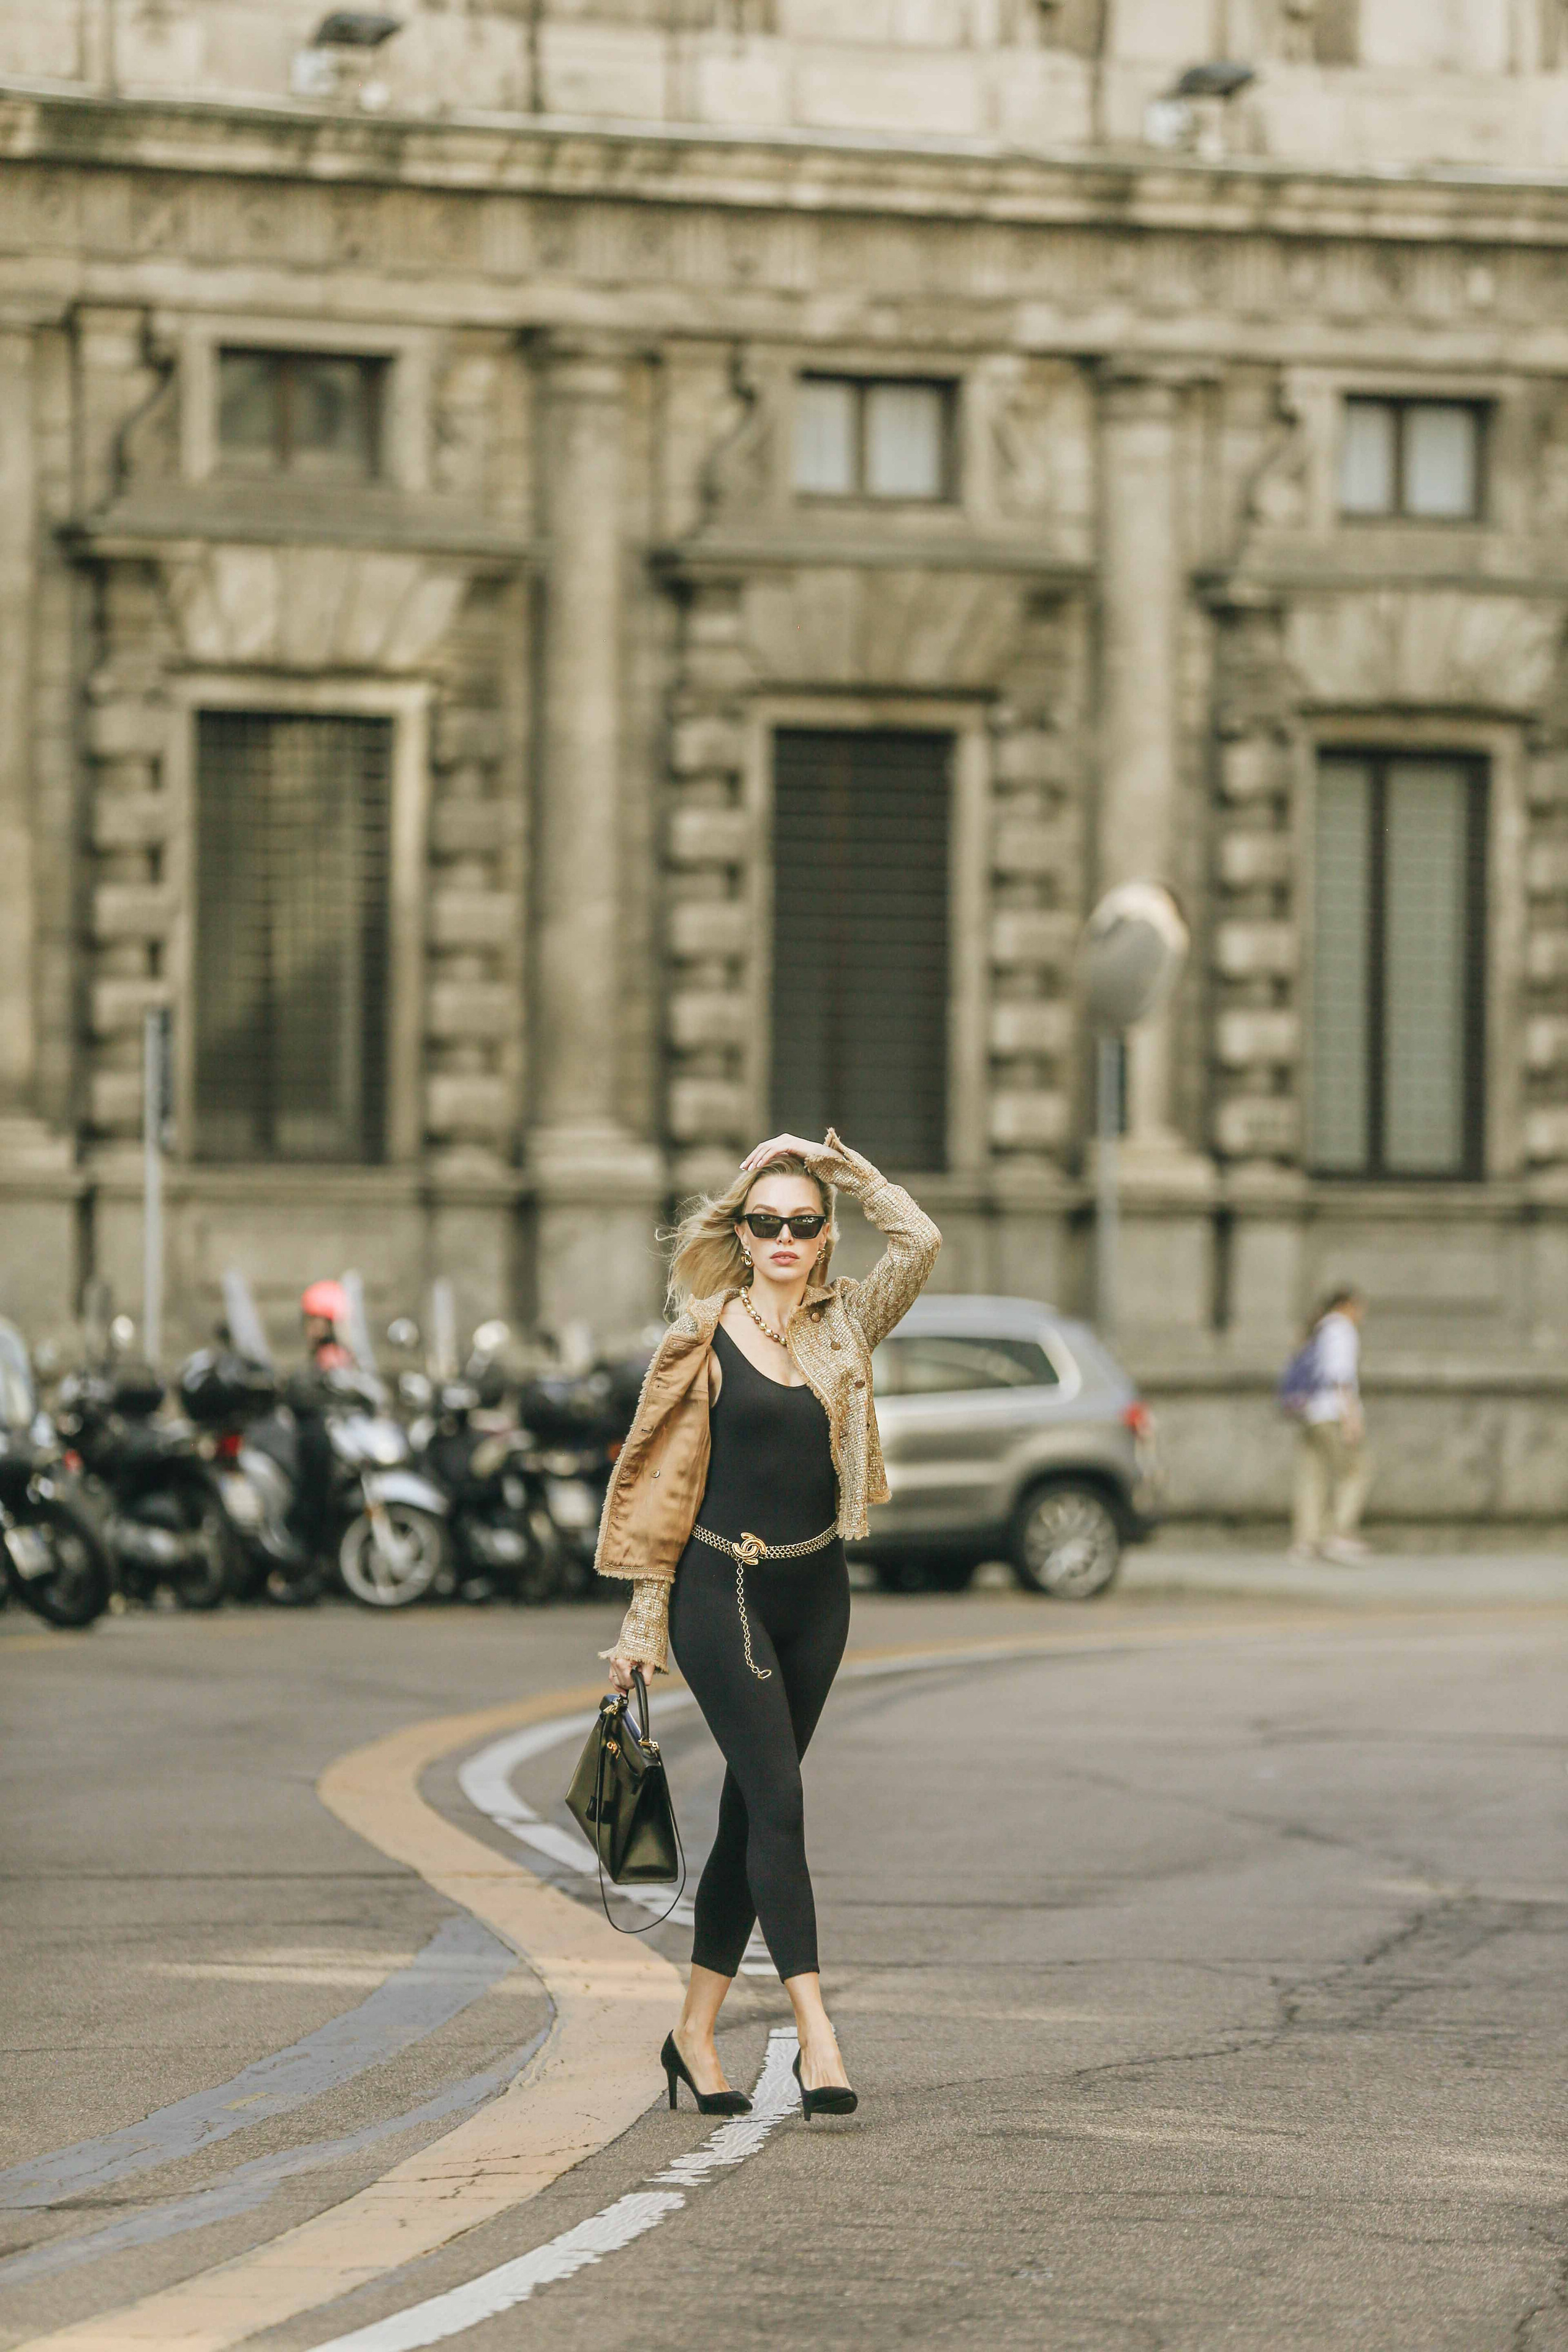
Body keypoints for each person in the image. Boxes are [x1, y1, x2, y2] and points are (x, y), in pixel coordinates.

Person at [598, 1129, 940, 2121]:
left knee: (753, 1814)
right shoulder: (700, 1339)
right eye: (766, 1223)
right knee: (781, 1799)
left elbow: (919, 1244)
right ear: (742, 1235)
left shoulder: (849, 1324)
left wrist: (853, 1173)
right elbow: (666, 1496)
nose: (784, 1238)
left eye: (803, 1223)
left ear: (824, 1236)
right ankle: (817, 2038)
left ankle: (695, 2036)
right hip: (723, 1588)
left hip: (816, 1595)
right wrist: (638, 1632)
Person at [1288, 1286, 1371, 1564]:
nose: (1361, 1314)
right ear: (1347, 1305)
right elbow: (1340, 1375)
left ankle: (1306, 1540)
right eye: (1359, 1308)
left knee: (1312, 1477)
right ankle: (1339, 1533)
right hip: (1333, 1412)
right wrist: (1351, 1417)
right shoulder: (1341, 1329)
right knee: (1355, 1471)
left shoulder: (1317, 1330)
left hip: (1310, 1411)